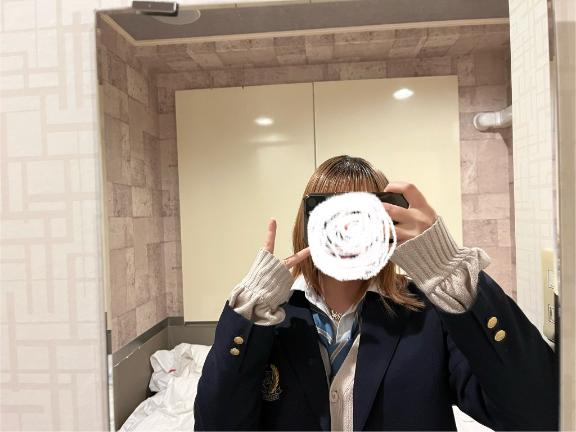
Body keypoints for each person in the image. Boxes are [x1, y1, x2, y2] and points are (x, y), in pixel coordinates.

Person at [194, 155, 559, 431]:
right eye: (331, 214)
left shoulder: (429, 316)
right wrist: (249, 312)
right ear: (307, 224)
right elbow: (215, 425)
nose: (346, 230)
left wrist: (450, 270)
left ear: (387, 223)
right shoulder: (269, 319)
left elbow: (541, 415)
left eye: (362, 215)